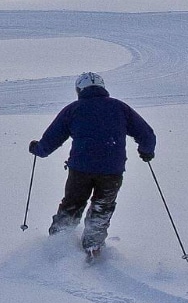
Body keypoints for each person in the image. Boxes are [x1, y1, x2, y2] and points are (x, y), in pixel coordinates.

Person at [28, 72, 156, 259]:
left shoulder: (73, 110)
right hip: (112, 170)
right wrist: (146, 151)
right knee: (103, 206)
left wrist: (38, 149)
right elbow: (147, 134)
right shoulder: (120, 108)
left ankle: (57, 244)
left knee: (72, 204)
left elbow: (51, 139)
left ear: (79, 90)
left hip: (80, 169)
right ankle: (93, 246)